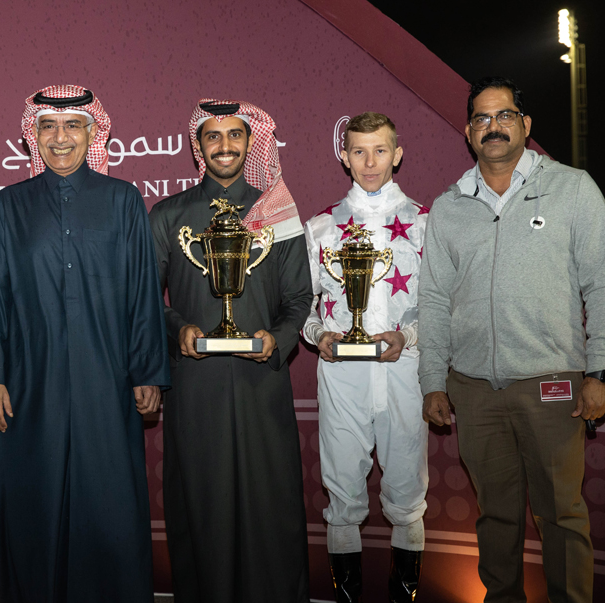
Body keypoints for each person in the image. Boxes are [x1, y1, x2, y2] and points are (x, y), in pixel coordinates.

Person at [0, 84, 169, 603]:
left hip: (107, 379)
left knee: (108, 502)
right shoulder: (9, 205)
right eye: (48, 127)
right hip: (27, 380)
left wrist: (148, 370)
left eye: (72, 126)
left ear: (92, 132)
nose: (60, 138)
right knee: (32, 500)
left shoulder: (123, 200)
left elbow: (143, 292)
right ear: (33, 135)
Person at [419, 76, 605, 603]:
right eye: (481, 118)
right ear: (467, 132)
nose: (493, 127)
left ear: (525, 125)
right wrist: (433, 380)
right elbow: (432, 299)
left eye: (504, 116)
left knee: (561, 516)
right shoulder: (450, 206)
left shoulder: (573, 188)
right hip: (473, 392)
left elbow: (602, 282)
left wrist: (599, 371)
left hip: (552, 386)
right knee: (495, 517)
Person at [148, 98, 312, 602]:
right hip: (195, 386)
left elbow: (299, 298)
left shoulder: (277, 210)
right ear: (198, 146)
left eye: (235, 136)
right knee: (202, 502)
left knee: (269, 503)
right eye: (213, 137)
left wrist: (277, 341)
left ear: (251, 142)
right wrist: (177, 329)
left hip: (262, 382)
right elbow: (146, 301)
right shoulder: (168, 214)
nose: (225, 146)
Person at [302, 112, 428, 603]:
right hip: (342, 378)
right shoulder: (320, 228)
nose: (369, 161)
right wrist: (319, 336)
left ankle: (404, 595)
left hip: (403, 375)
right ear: (343, 156)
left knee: (406, 494)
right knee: (343, 494)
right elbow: (301, 307)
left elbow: (438, 306)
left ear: (396, 154)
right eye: (358, 151)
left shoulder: (422, 223)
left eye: (379, 150)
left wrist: (409, 337)